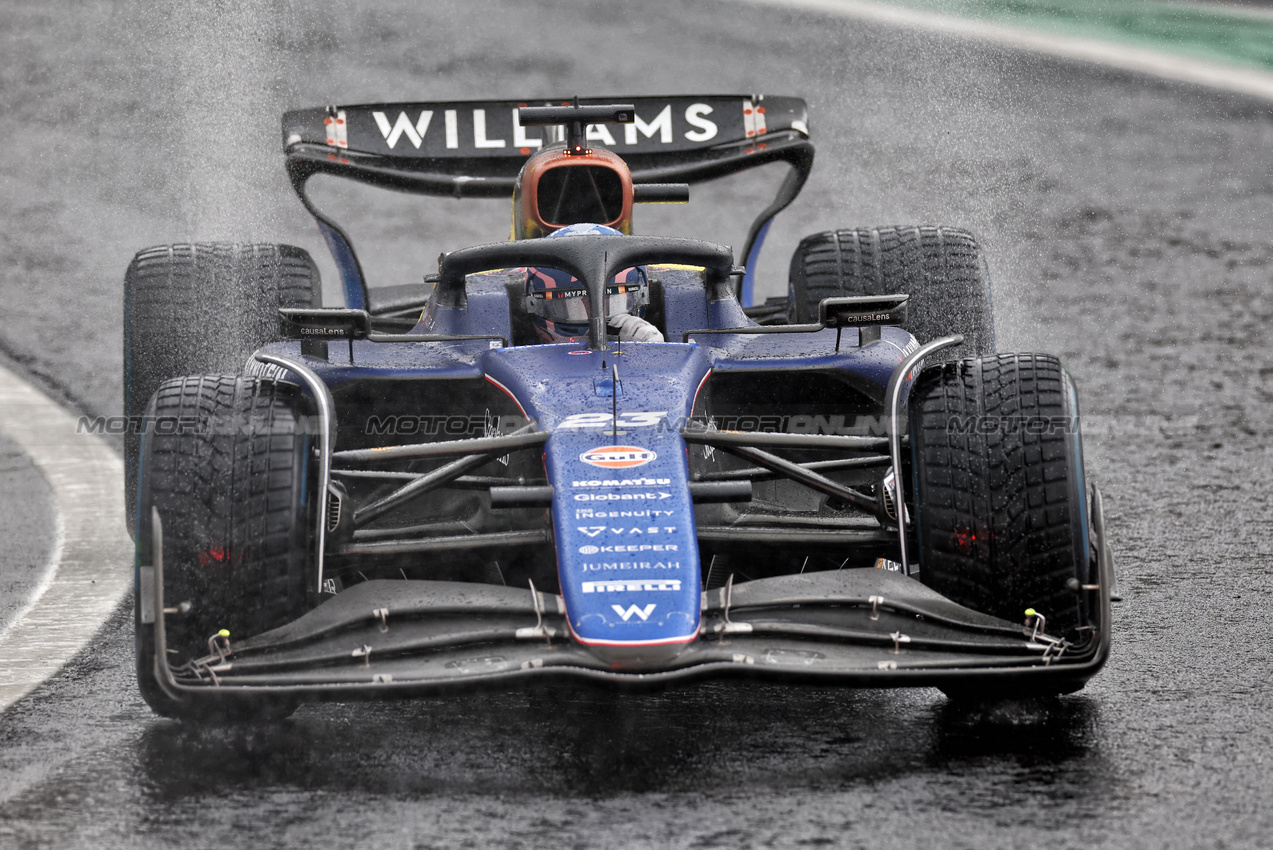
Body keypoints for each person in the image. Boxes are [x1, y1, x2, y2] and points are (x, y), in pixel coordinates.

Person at [523, 223, 664, 344]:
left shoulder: (645, 338)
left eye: (610, 304)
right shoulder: (514, 354)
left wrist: (651, 352)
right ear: (534, 305)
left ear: (641, 297)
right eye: (574, 307)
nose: (592, 325)